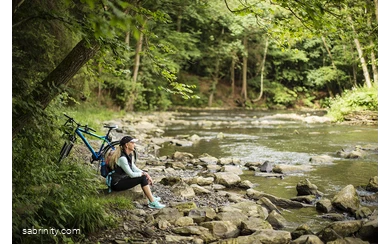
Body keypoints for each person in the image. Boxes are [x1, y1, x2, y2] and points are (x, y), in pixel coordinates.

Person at [107, 135, 165, 209]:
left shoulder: (129, 155)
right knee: (142, 178)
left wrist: (146, 173)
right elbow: (131, 174)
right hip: (116, 183)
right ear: (127, 145)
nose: (134, 144)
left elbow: (134, 168)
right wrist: (143, 174)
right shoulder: (122, 158)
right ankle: (152, 202)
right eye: (132, 143)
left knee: (144, 176)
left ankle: (151, 197)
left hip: (122, 179)